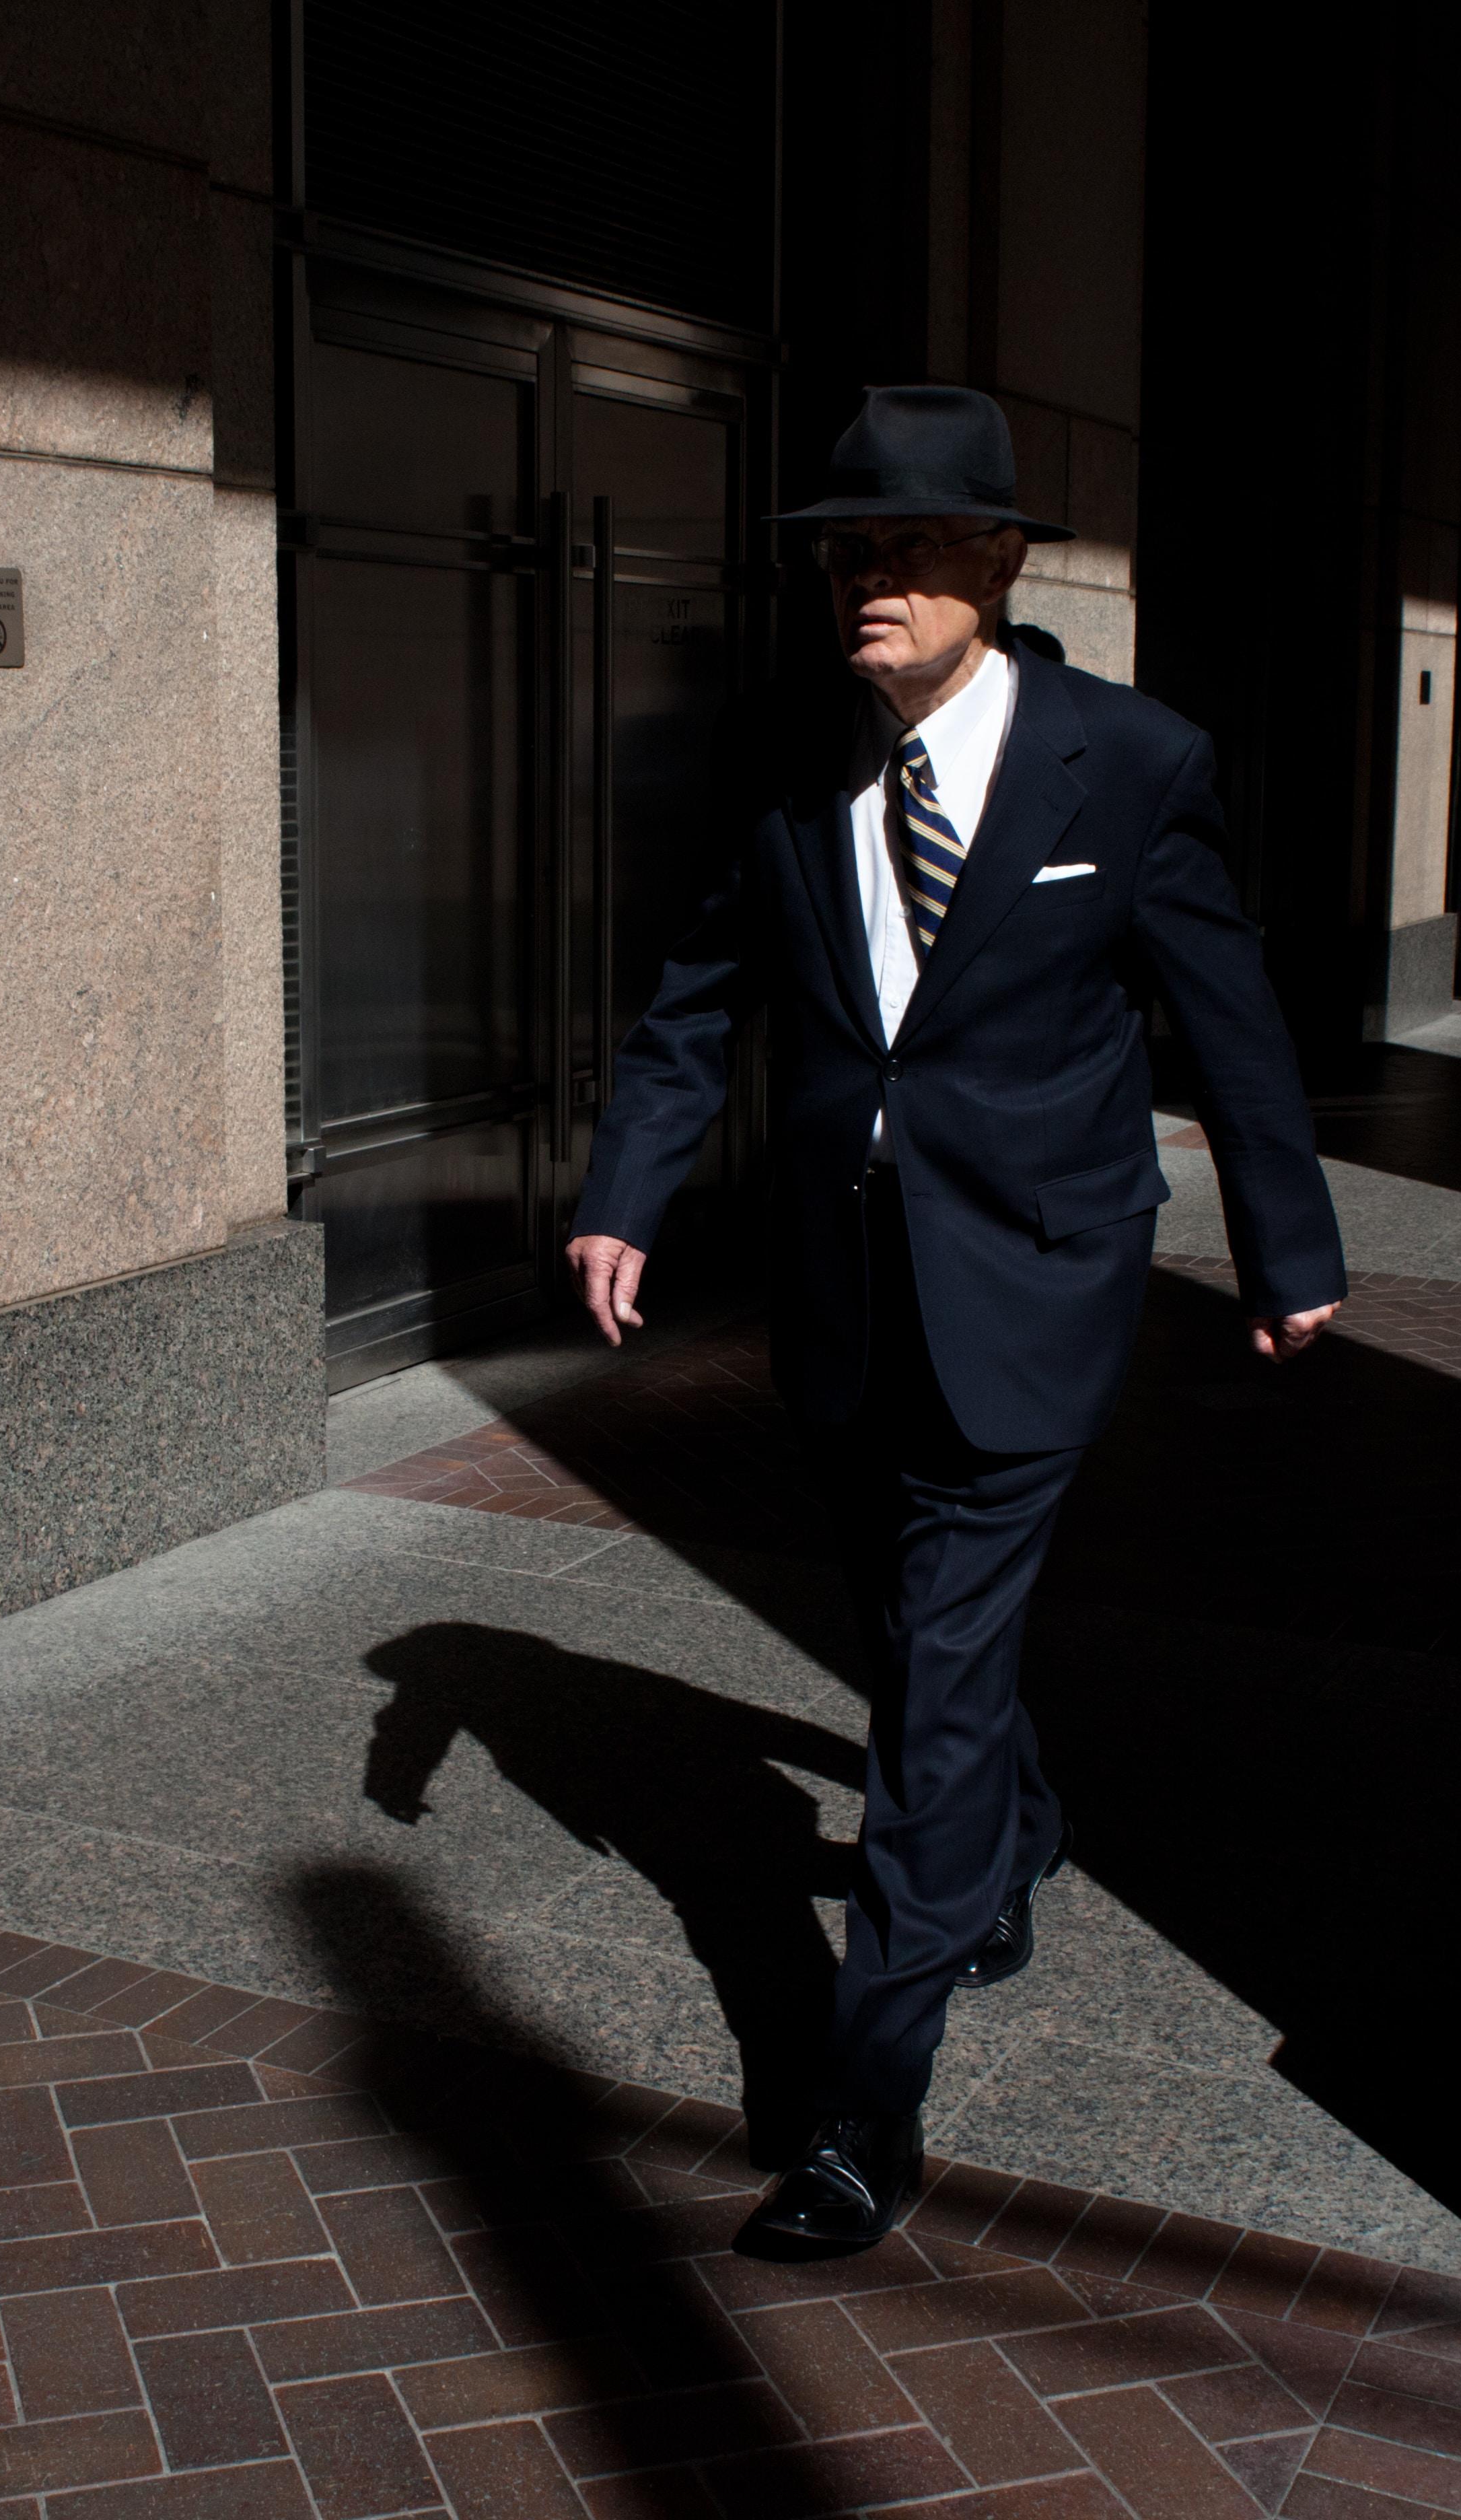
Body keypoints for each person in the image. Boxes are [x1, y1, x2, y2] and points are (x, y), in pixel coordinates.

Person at [563, 385, 1345, 2260]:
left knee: (933, 1678)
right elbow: (695, 1005)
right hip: (842, 1295)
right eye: (845, 549)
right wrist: (622, 1194)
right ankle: (1008, 1827)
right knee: (919, 1632)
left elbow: (1225, 1017)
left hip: (1039, 1277)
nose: (866, 581)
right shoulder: (780, 760)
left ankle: (862, 2102)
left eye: (905, 549)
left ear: (999, 560)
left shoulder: (1128, 763)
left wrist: (1286, 1240)